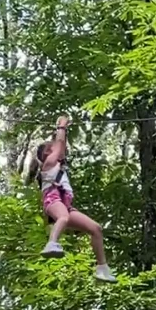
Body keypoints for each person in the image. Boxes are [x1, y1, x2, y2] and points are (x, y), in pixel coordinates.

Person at [35, 115, 116, 283]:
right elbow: (59, 146)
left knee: (96, 228)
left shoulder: (58, 165)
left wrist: (64, 130)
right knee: (63, 217)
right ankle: (51, 243)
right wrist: (61, 127)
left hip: (65, 203)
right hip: (53, 199)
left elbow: (61, 147)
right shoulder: (48, 163)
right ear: (47, 153)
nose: (58, 149)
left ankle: (102, 268)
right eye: (52, 147)